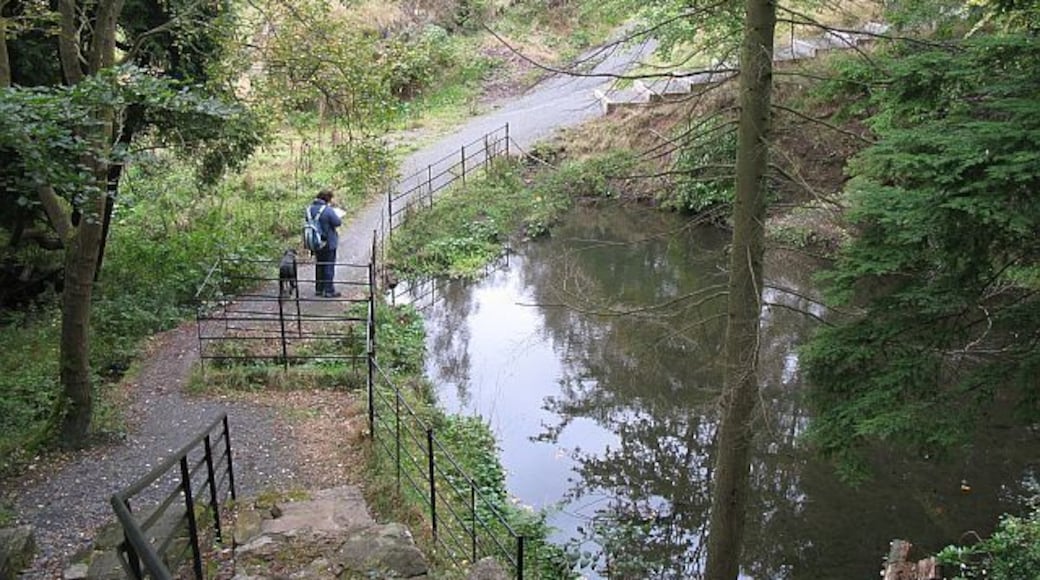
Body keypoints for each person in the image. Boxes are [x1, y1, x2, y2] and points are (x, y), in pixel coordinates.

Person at [308, 189, 342, 297]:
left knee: (319, 264)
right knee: (328, 265)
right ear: (327, 199)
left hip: (315, 242)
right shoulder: (327, 210)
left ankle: (319, 288)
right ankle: (328, 290)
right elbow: (337, 222)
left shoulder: (309, 209)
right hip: (328, 242)